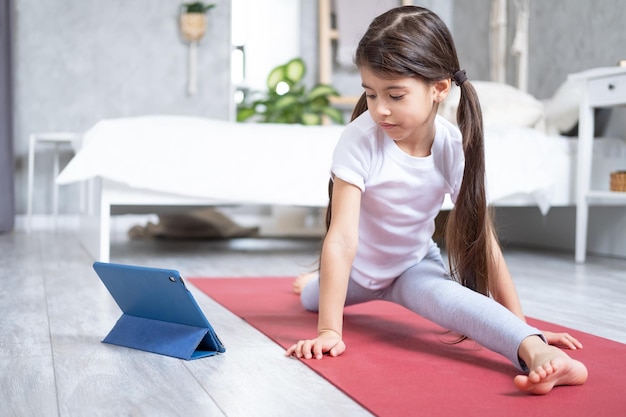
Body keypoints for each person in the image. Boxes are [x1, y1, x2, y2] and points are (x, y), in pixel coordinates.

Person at [285, 6, 588, 395]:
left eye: (395, 95)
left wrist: (522, 324)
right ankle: (314, 281)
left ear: (439, 89)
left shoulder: (450, 147)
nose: (379, 109)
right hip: (357, 270)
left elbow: (482, 238)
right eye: (370, 93)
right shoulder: (359, 140)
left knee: (456, 303)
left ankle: (542, 356)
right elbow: (342, 240)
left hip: (412, 267)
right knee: (312, 298)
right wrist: (329, 331)